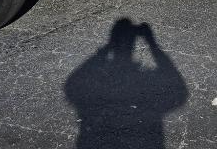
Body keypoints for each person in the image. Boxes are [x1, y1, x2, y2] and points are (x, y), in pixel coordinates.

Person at [64, 18, 187, 149]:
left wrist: (107, 48)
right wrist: (151, 43)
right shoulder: (144, 80)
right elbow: (179, 92)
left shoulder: (100, 80)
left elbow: (72, 83)